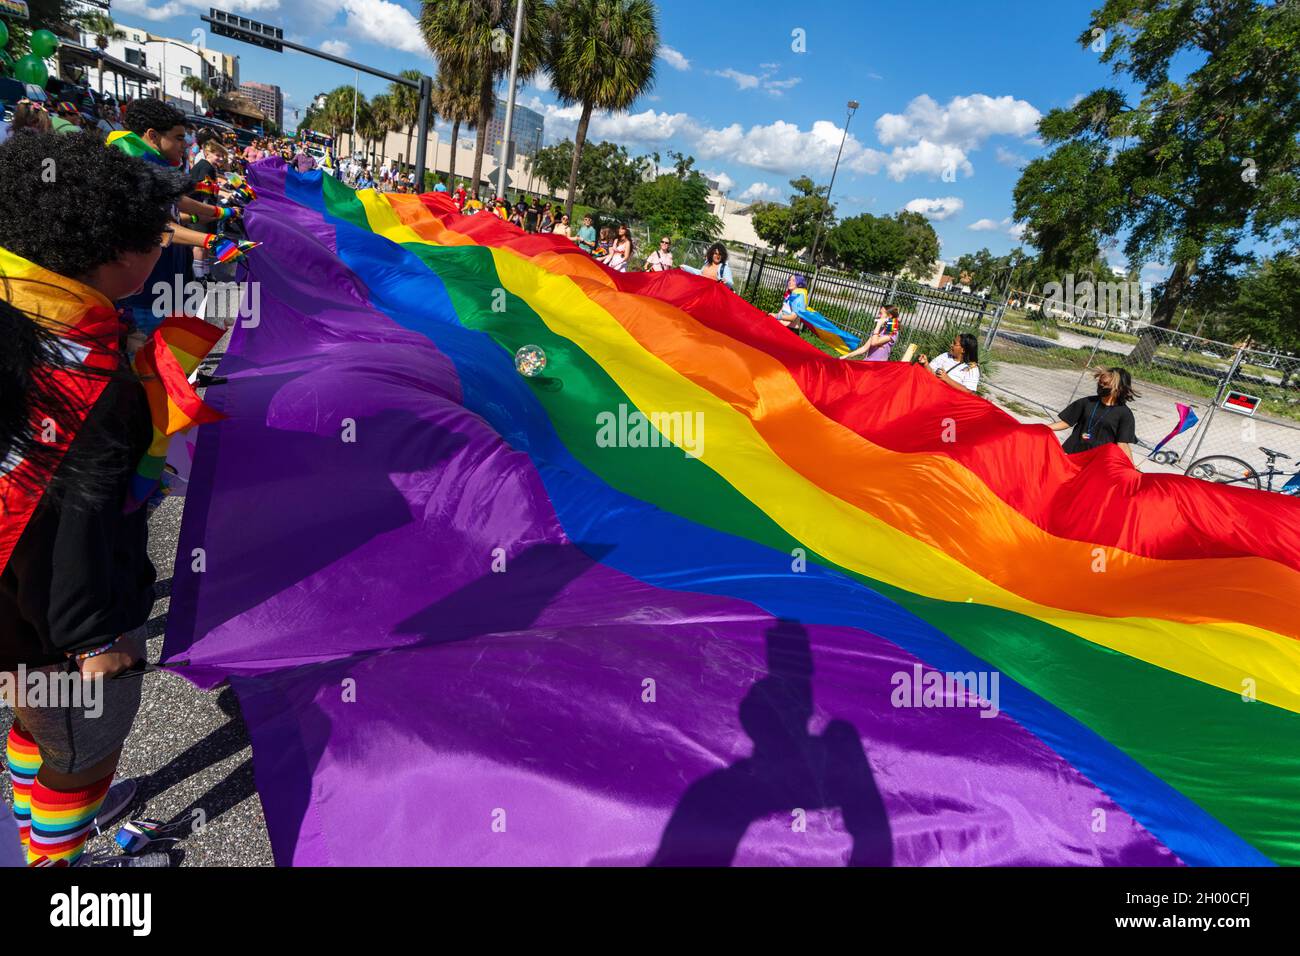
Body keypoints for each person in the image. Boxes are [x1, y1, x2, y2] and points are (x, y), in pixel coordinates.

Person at [0, 131, 189, 867]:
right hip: (52, 619)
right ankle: (61, 860)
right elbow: (73, 530)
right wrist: (94, 643)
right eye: (155, 239)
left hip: (17, 612)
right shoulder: (92, 378)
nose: (161, 250)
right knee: (83, 748)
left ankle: (36, 803)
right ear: (116, 256)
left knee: (36, 721)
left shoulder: (27, 312)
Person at [1048, 367, 1138, 461]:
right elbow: (1066, 423)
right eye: (1100, 382)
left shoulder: (1124, 414)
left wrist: (1130, 465)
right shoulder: (1087, 402)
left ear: (1118, 388)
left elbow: (1122, 443)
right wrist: (1041, 427)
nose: (1101, 385)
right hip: (1074, 453)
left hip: (1098, 461)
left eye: (1106, 384)